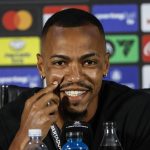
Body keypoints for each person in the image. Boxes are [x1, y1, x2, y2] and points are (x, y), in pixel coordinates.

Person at [0, 8, 150, 150]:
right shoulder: (12, 119)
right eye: (60, 63)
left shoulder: (140, 113)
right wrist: (24, 137)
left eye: (89, 62)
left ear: (105, 65)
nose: (75, 77)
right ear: (41, 67)